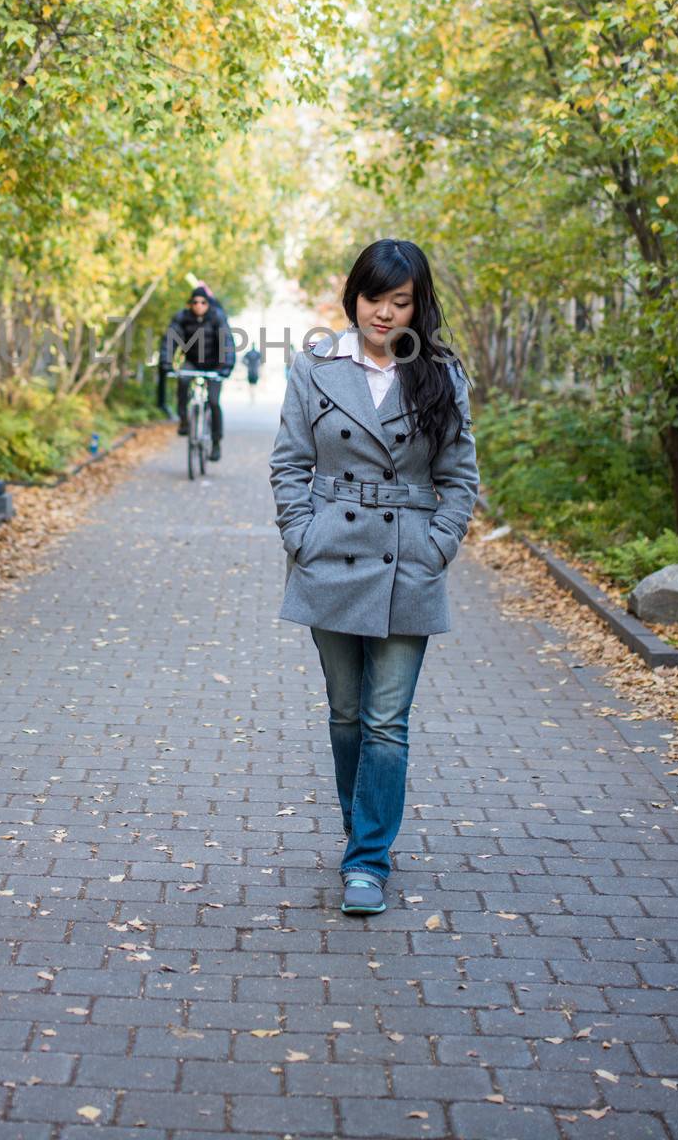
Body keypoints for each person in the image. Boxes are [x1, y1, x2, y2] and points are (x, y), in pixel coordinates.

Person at [268, 239, 479, 916]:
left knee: (387, 720)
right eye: (373, 298)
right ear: (352, 296)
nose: (384, 314)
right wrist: (301, 535)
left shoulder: (439, 375)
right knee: (347, 715)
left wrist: (434, 547)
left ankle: (366, 861)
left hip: (406, 563)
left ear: (418, 306)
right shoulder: (316, 365)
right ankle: (361, 833)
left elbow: (459, 477)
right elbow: (289, 462)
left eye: (399, 301)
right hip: (330, 555)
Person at [157, 284, 235, 460]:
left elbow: (227, 343)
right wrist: (166, 363)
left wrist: (226, 367)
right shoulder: (182, 318)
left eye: (203, 302)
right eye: (195, 302)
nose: (199, 305)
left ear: (208, 304)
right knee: (183, 380)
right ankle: (184, 420)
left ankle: (215, 443)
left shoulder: (217, 317)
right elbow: (170, 341)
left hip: (216, 364)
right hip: (192, 362)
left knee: (214, 402)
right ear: (190, 304)